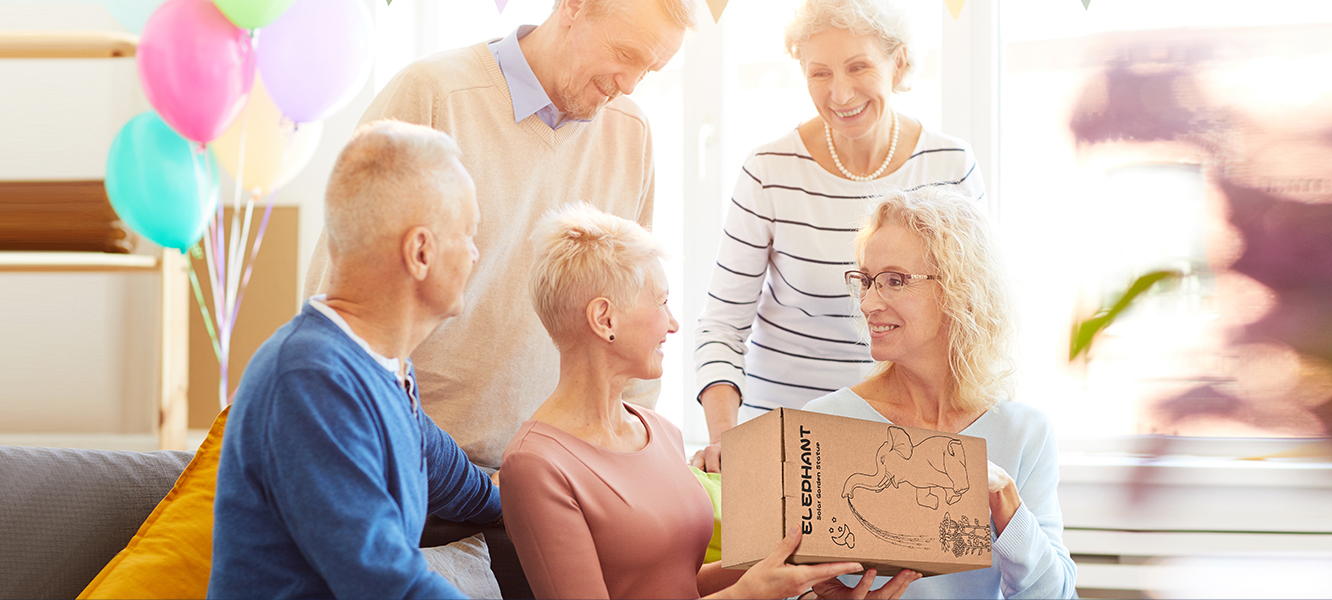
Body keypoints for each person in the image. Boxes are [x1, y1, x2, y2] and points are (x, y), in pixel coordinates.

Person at [303, 0, 697, 470]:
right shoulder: (434, 95)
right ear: (573, 7)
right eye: (626, 54)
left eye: (650, 69)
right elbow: (340, 296)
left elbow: (637, 307)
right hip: (409, 461)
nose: (630, 84)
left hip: (555, 476)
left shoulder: (631, 132)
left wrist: (637, 454)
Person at [499, 204, 922, 599]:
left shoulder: (660, 432)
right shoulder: (536, 465)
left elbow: (678, 584)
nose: (673, 323)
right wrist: (746, 595)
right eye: (662, 302)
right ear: (604, 319)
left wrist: (799, 568)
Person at [209, 121, 501, 599]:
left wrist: (513, 498)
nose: (474, 253)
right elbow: (385, 582)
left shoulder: (380, 369)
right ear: (421, 251)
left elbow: (445, 469)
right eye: (467, 233)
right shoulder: (309, 379)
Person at [692, 0, 984, 472]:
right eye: (819, 72)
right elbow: (722, 325)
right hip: (785, 437)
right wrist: (727, 439)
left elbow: (972, 316)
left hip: (909, 445)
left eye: (859, 66)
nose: (840, 93)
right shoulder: (770, 171)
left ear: (899, 63)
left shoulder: (950, 166)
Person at [803, 187, 1077, 599]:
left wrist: (1006, 506)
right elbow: (782, 582)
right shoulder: (823, 424)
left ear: (958, 290)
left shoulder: (1025, 433)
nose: (868, 303)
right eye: (866, 280)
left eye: (894, 281)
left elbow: (1055, 596)